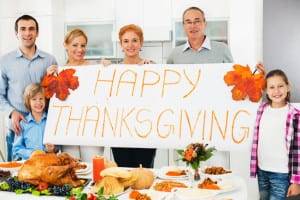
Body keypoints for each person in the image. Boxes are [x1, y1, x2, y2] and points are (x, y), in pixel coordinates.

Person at [0, 15, 57, 161]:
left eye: (31, 29)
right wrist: (12, 112)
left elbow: (56, 93)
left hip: (43, 126)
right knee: (16, 175)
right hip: (17, 127)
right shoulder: (5, 61)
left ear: (37, 33)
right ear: (16, 33)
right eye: (23, 29)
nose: (27, 33)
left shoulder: (49, 60)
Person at [47, 28, 107, 162]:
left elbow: (106, 96)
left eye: (83, 45)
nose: (80, 49)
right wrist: (49, 78)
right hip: (68, 128)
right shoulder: (58, 71)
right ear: (65, 45)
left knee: (93, 168)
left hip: (92, 129)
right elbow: (51, 101)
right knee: (72, 169)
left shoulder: (95, 69)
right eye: (75, 45)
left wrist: (108, 68)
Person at [250, 69, 300, 199]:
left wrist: (296, 181)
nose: (276, 91)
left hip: (281, 174)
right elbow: (248, 91)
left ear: (288, 87)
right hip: (262, 171)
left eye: (280, 86)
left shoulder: (295, 115)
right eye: (271, 87)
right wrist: (258, 74)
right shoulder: (261, 109)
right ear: (266, 90)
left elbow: (297, 151)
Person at [111, 24, 156, 168]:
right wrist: (103, 69)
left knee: (144, 174)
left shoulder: (152, 67)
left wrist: (153, 71)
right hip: (120, 132)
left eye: (134, 40)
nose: (130, 45)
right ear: (121, 45)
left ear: (141, 43)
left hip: (145, 132)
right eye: (126, 41)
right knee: (124, 173)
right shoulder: (112, 70)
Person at [167, 6, 233, 64]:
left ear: (205, 23)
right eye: (188, 22)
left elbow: (232, 76)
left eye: (197, 21)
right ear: (183, 26)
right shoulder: (174, 54)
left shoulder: (222, 49)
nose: (193, 26)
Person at [12, 84, 56, 160]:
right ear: (28, 102)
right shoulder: (23, 124)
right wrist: (31, 153)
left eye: (41, 98)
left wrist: (52, 150)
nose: (38, 102)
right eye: (34, 99)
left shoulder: (51, 121)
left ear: (45, 100)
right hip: (30, 165)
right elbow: (16, 149)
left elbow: (58, 146)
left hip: (48, 163)